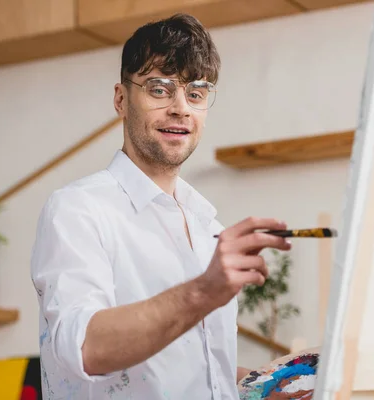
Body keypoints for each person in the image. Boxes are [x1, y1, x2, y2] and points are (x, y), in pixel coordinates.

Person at [30, 13, 292, 399]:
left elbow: (186, 371)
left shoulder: (208, 227)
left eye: (196, 93)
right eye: (159, 89)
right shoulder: (76, 210)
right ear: (121, 99)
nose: (181, 107)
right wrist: (204, 290)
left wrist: (264, 387)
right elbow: (86, 347)